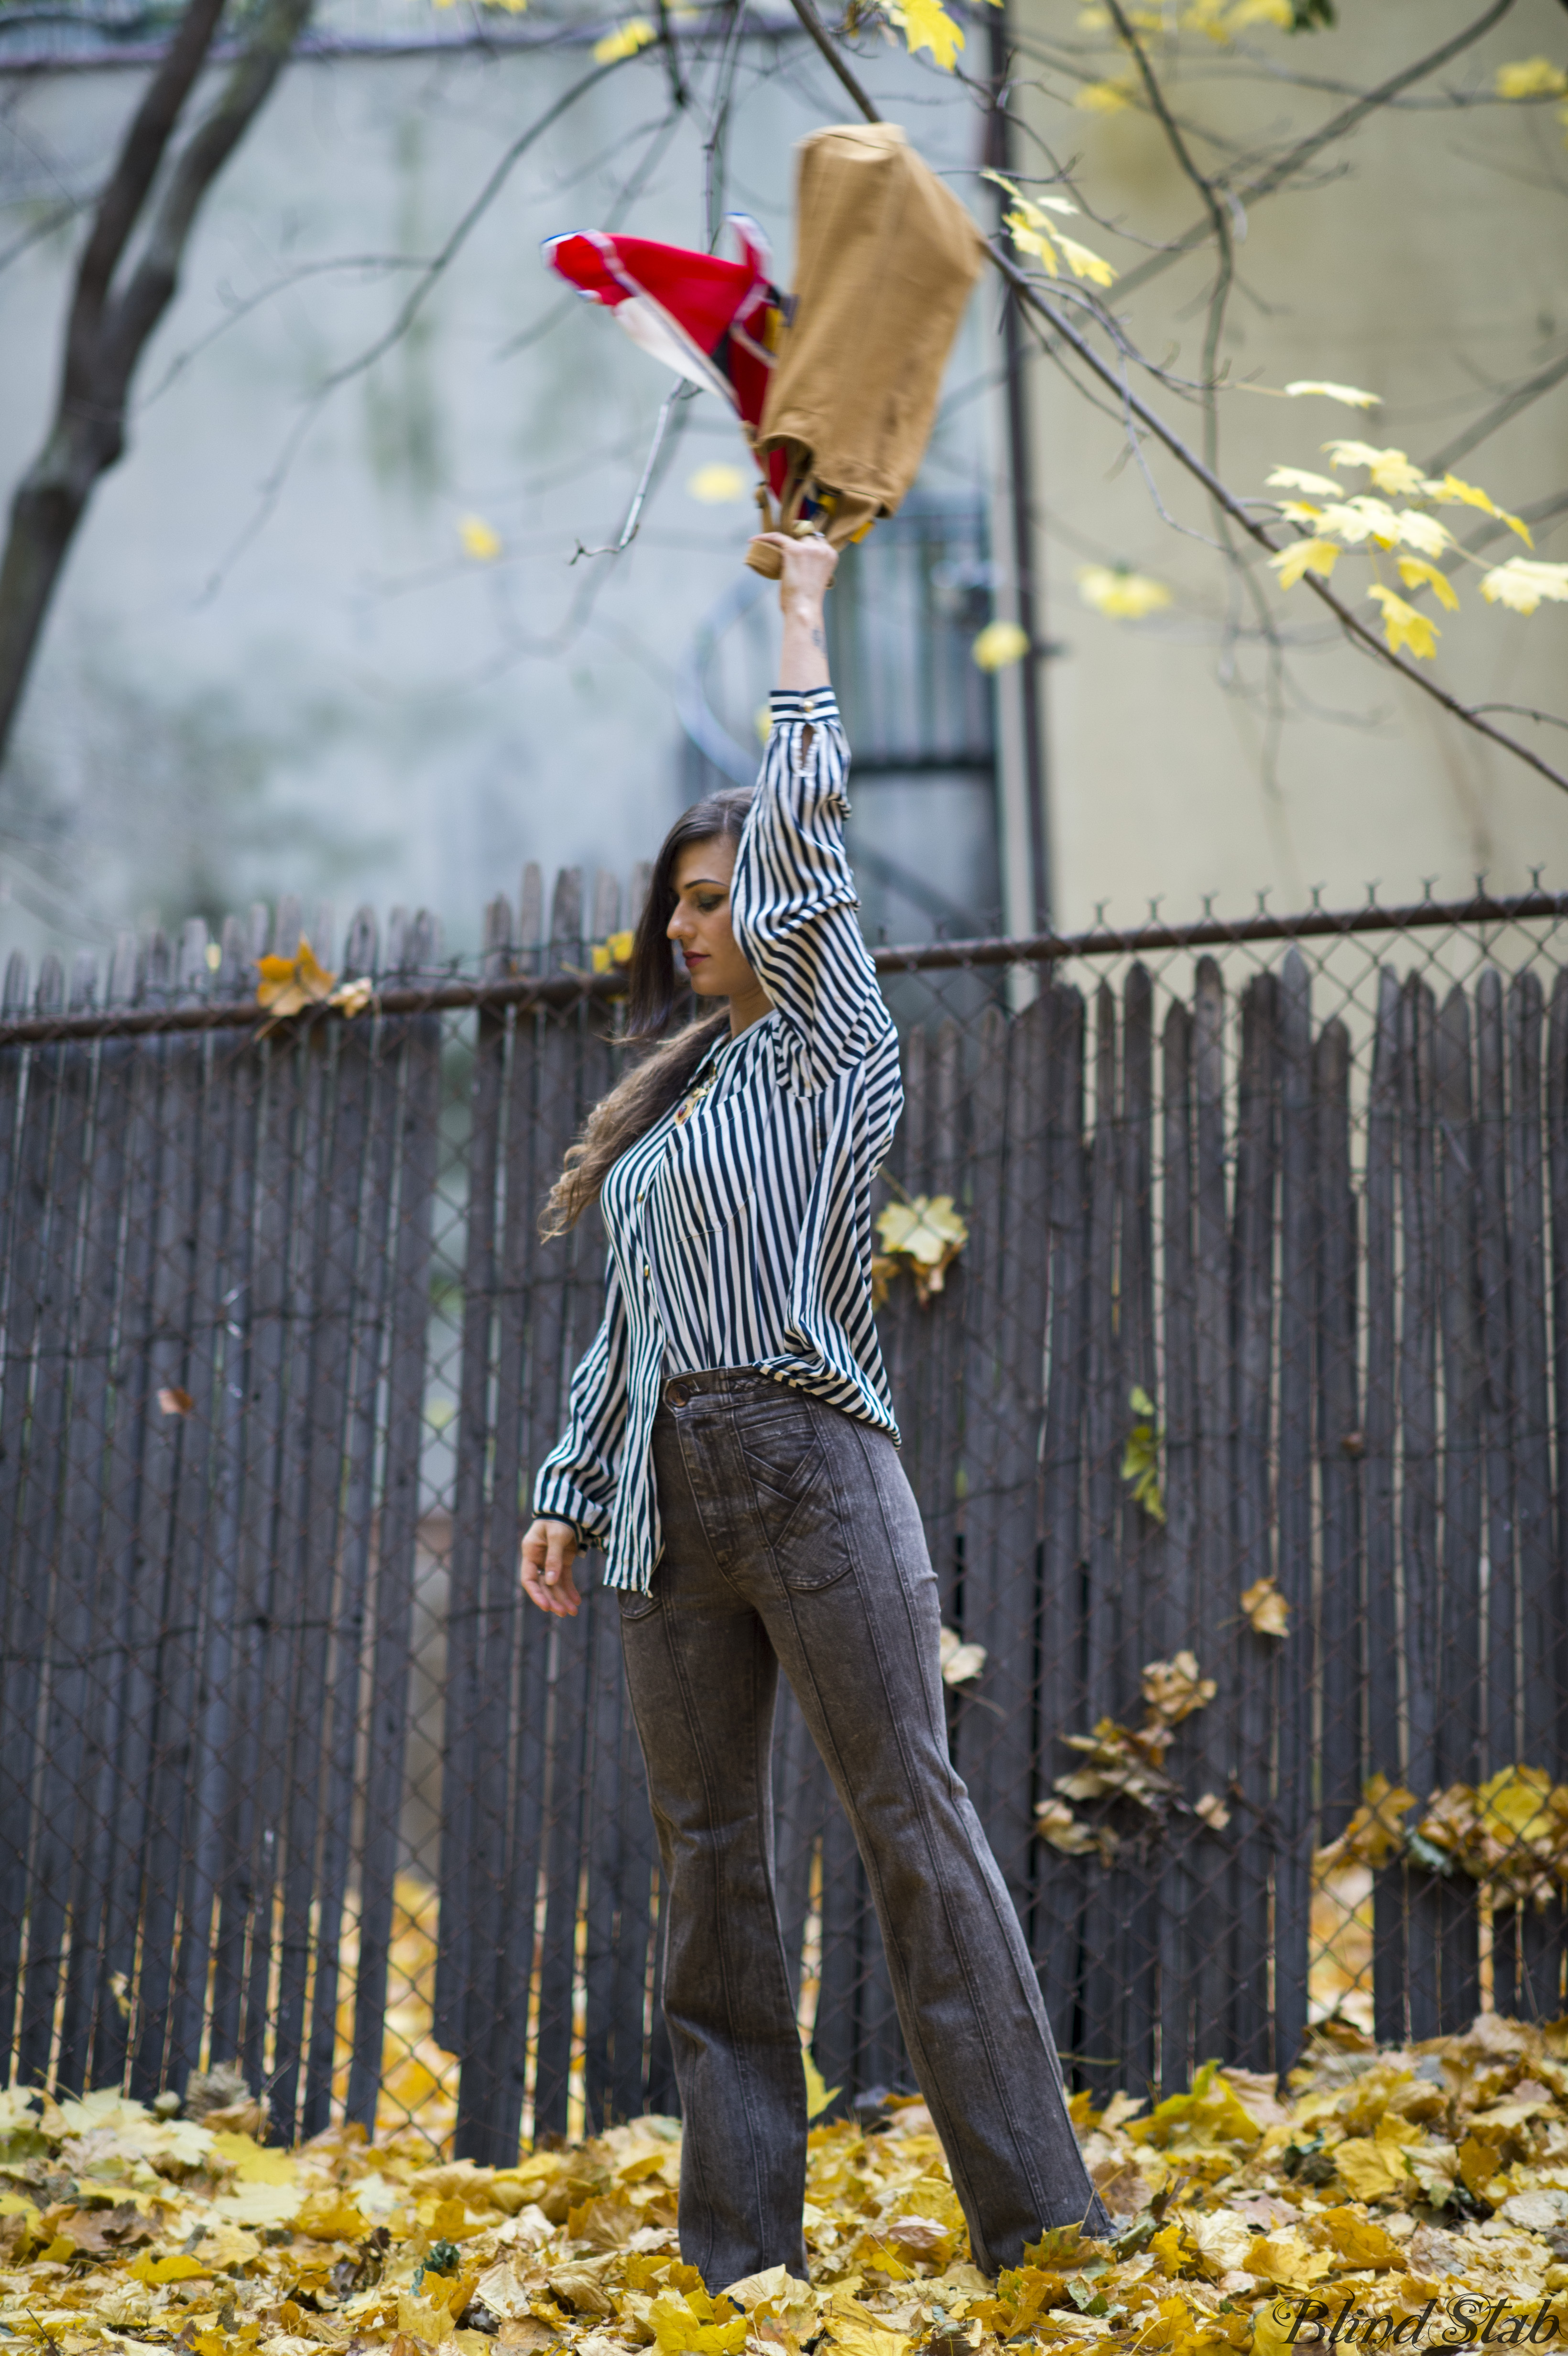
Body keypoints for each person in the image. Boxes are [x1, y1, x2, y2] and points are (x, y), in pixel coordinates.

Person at [519, 532, 1109, 2290]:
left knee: (909, 1831)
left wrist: (798, 619)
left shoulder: (831, 1044)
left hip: (808, 1467)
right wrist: (566, 1487)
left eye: (721, 896)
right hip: (656, 1515)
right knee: (711, 1881)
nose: (696, 925)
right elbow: (630, 1323)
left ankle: (1044, 2234)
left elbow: (810, 857)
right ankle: (738, 2267)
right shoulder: (672, 1098)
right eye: (682, 904)